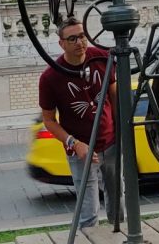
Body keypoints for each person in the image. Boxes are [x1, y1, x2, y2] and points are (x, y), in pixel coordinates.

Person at [39, 16, 124, 228]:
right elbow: (49, 120)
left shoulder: (102, 58)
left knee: (118, 202)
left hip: (111, 144)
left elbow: (115, 98)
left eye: (83, 36)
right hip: (81, 152)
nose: (80, 42)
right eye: (73, 39)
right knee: (88, 214)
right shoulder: (50, 77)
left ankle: (119, 234)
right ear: (61, 43)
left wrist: (121, 132)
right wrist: (74, 144)